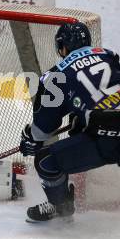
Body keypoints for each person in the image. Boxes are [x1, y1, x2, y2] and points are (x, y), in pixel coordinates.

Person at [19, 22, 120, 222]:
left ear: (62, 47)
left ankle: (61, 207)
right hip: (107, 129)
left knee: (45, 162)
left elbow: (43, 129)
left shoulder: (55, 75)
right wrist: (83, 120)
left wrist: (30, 137)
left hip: (105, 140)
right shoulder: (109, 55)